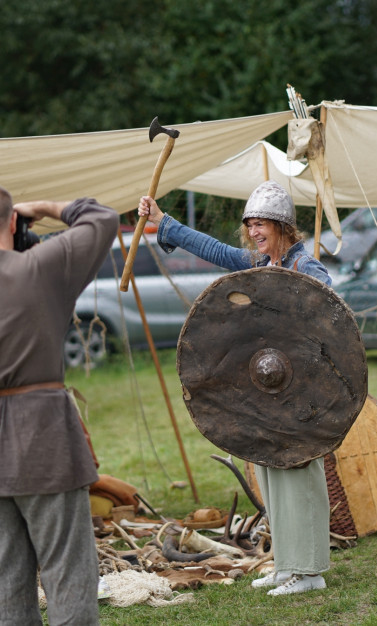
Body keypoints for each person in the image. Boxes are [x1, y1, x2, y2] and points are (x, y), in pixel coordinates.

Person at [138, 180, 332, 596]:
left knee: (299, 477)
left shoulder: (306, 269)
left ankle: (310, 571)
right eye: (251, 225)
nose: (255, 232)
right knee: (272, 473)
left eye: (262, 224)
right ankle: (287, 564)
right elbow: (217, 252)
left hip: (300, 398)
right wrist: (163, 222)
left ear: (282, 226)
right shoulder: (263, 265)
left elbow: (331, 328)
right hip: (271, 395)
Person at [0, 185, 117, 626]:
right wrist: (46, 207)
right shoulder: (42, 268)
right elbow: (102, 218)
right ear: (13, 222)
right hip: (43, 436)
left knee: (4, 573)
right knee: (67, 569)